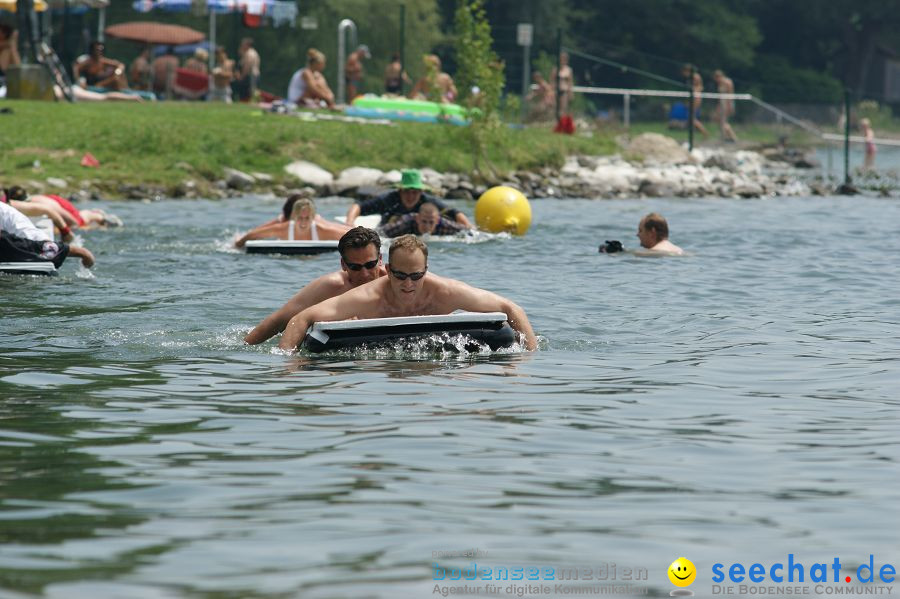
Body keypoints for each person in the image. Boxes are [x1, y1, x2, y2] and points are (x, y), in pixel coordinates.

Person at [278, 234, 537, 351]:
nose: (408, 284)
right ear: (388, 270)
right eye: (400, 275)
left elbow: (513, 309)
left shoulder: (445, 292)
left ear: (426, 270)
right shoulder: (368, 297)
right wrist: (289, 366)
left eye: (416, 276)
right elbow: (302, 318)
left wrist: (527, 362)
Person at [244, 226, 387, 345]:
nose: (364, 274)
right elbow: (280, 320)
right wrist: (245, 347)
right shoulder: (332, 286)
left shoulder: (397, 280)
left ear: (380, 259)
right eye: (355, 267)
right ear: (343, 265)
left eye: (370, 265)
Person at [345, 169, 472, 229]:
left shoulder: (428, 202)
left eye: (415, 192)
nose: (410, 196)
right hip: (388, 234)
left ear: (421, 191)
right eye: (406, 192)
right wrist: (349, 224)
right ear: (400, 190)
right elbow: (359, 206)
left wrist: (470, 228)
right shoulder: (389, 199)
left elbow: (455, 213)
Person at [0, 198, 94, 268]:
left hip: (28, 244)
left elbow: (40, 243)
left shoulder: (7, 211)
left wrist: (65, 232)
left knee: (83, 221)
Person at [235, 197, 351, 248]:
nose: (303, 223)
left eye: (307, 218)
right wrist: (237, 245)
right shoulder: (283, 229)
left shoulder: (322, 230)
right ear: (294, 217)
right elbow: (252, 235)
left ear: (313, 218)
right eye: (300, 218)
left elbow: (350, 235)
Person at [380, 202, 466, 238]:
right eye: (424, 221)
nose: (427, 226)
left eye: (431, 222)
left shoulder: (445, 225)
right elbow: (380, 232)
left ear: (437, 221)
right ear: (417, 218)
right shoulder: (405, 223)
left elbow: (468, 231)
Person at [681, 64, 708, 137]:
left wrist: (693, 92)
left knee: (692, 118)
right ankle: (695, 134)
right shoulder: (691, 78)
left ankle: (705, 133)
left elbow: (700, 87)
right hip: (693, 97)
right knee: (691, 118)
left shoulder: (695, 77)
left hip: (696, 98)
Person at [712, 69, 738, 142]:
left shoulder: (728, 82)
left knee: (723, 121)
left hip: (727, 102)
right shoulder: (720, 84)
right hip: (721, 103)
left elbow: (730, 95)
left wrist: (729, 106)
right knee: (719, 120)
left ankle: (732, 137)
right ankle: (726, 136)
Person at [234, 37, 260, 102]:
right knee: (252, 91)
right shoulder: (252, 52)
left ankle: (252, 103)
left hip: (250, 75)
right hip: (253, 75)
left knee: (250, 92)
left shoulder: (249, 53)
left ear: (247, 45)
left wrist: (241, 76)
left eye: (243, 44)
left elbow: (247, 66)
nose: (241, 46)